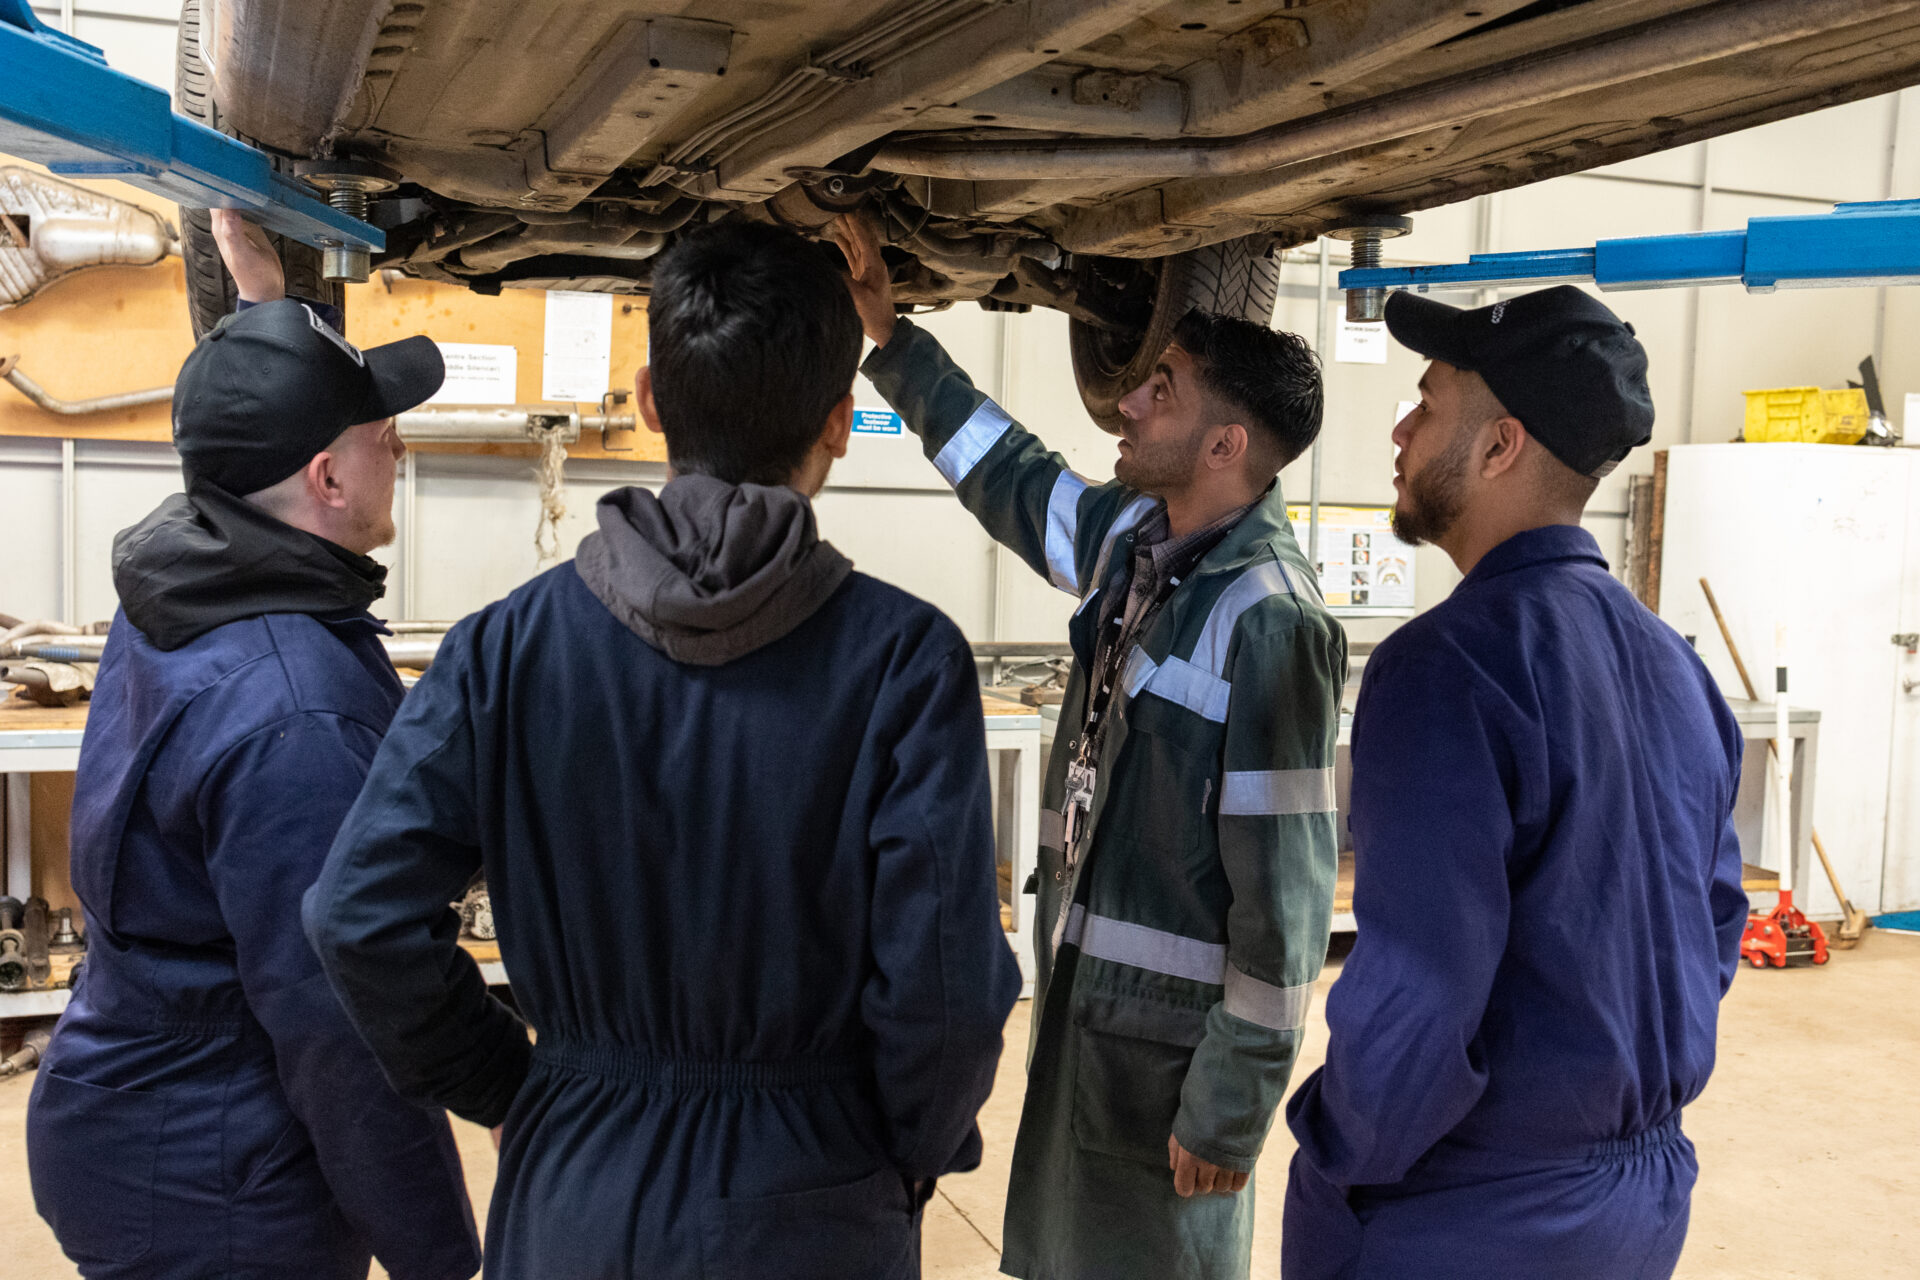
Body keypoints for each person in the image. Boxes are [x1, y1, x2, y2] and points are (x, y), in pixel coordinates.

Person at [301, 220, 1020, 1280]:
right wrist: (902, 1149)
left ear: (648, 399)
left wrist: (522, 1084)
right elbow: (948, 996)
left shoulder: (505, 645)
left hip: (573, 1190)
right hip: (815, 1201)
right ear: (838, 424)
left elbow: (355, 915)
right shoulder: (904, 660)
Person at [835, 214, 1345, 1280]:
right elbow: (1007, 471)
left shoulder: (1272, 620)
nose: (1129, 396)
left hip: (1173, 1081)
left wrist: (1232, 1103)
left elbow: (1286, 907)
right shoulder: (1136, 541)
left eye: (1163, 382)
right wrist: (893, 339)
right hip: (1098, 1031)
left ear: (1225, 444)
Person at [26, 210, 479, 1280]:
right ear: (324, 480)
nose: (399, 445)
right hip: (213, 1174)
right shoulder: (294, 718)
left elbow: (237, 422)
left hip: (135, 1101)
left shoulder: (190, 563)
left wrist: (268, 313)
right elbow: (343, 1031)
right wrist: (443, 1255)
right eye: (380, 429)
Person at [1283, 286, 1748, 1279]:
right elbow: (1712, 925)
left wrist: (1339, 1147)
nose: (1401, 429)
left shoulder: (1444, 667)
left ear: (1500, 446)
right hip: (1641, 1204)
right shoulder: (1681, 668)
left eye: (1429, 401)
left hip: (1468, 1212)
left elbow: (1421, 982)